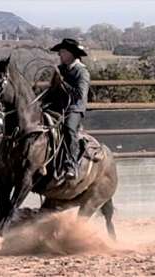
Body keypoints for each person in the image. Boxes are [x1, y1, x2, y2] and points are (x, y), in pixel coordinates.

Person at [48, 38, 91, 180]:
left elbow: (80, 94)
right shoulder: (60, 69)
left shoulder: (81, 72)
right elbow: (52, 91)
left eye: (62, 52)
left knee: (68, 128)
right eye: (60, 52)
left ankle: (71, 164)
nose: (60, 55)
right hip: (58, 106)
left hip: (74, 108)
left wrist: (63, 83)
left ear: (71, 54)